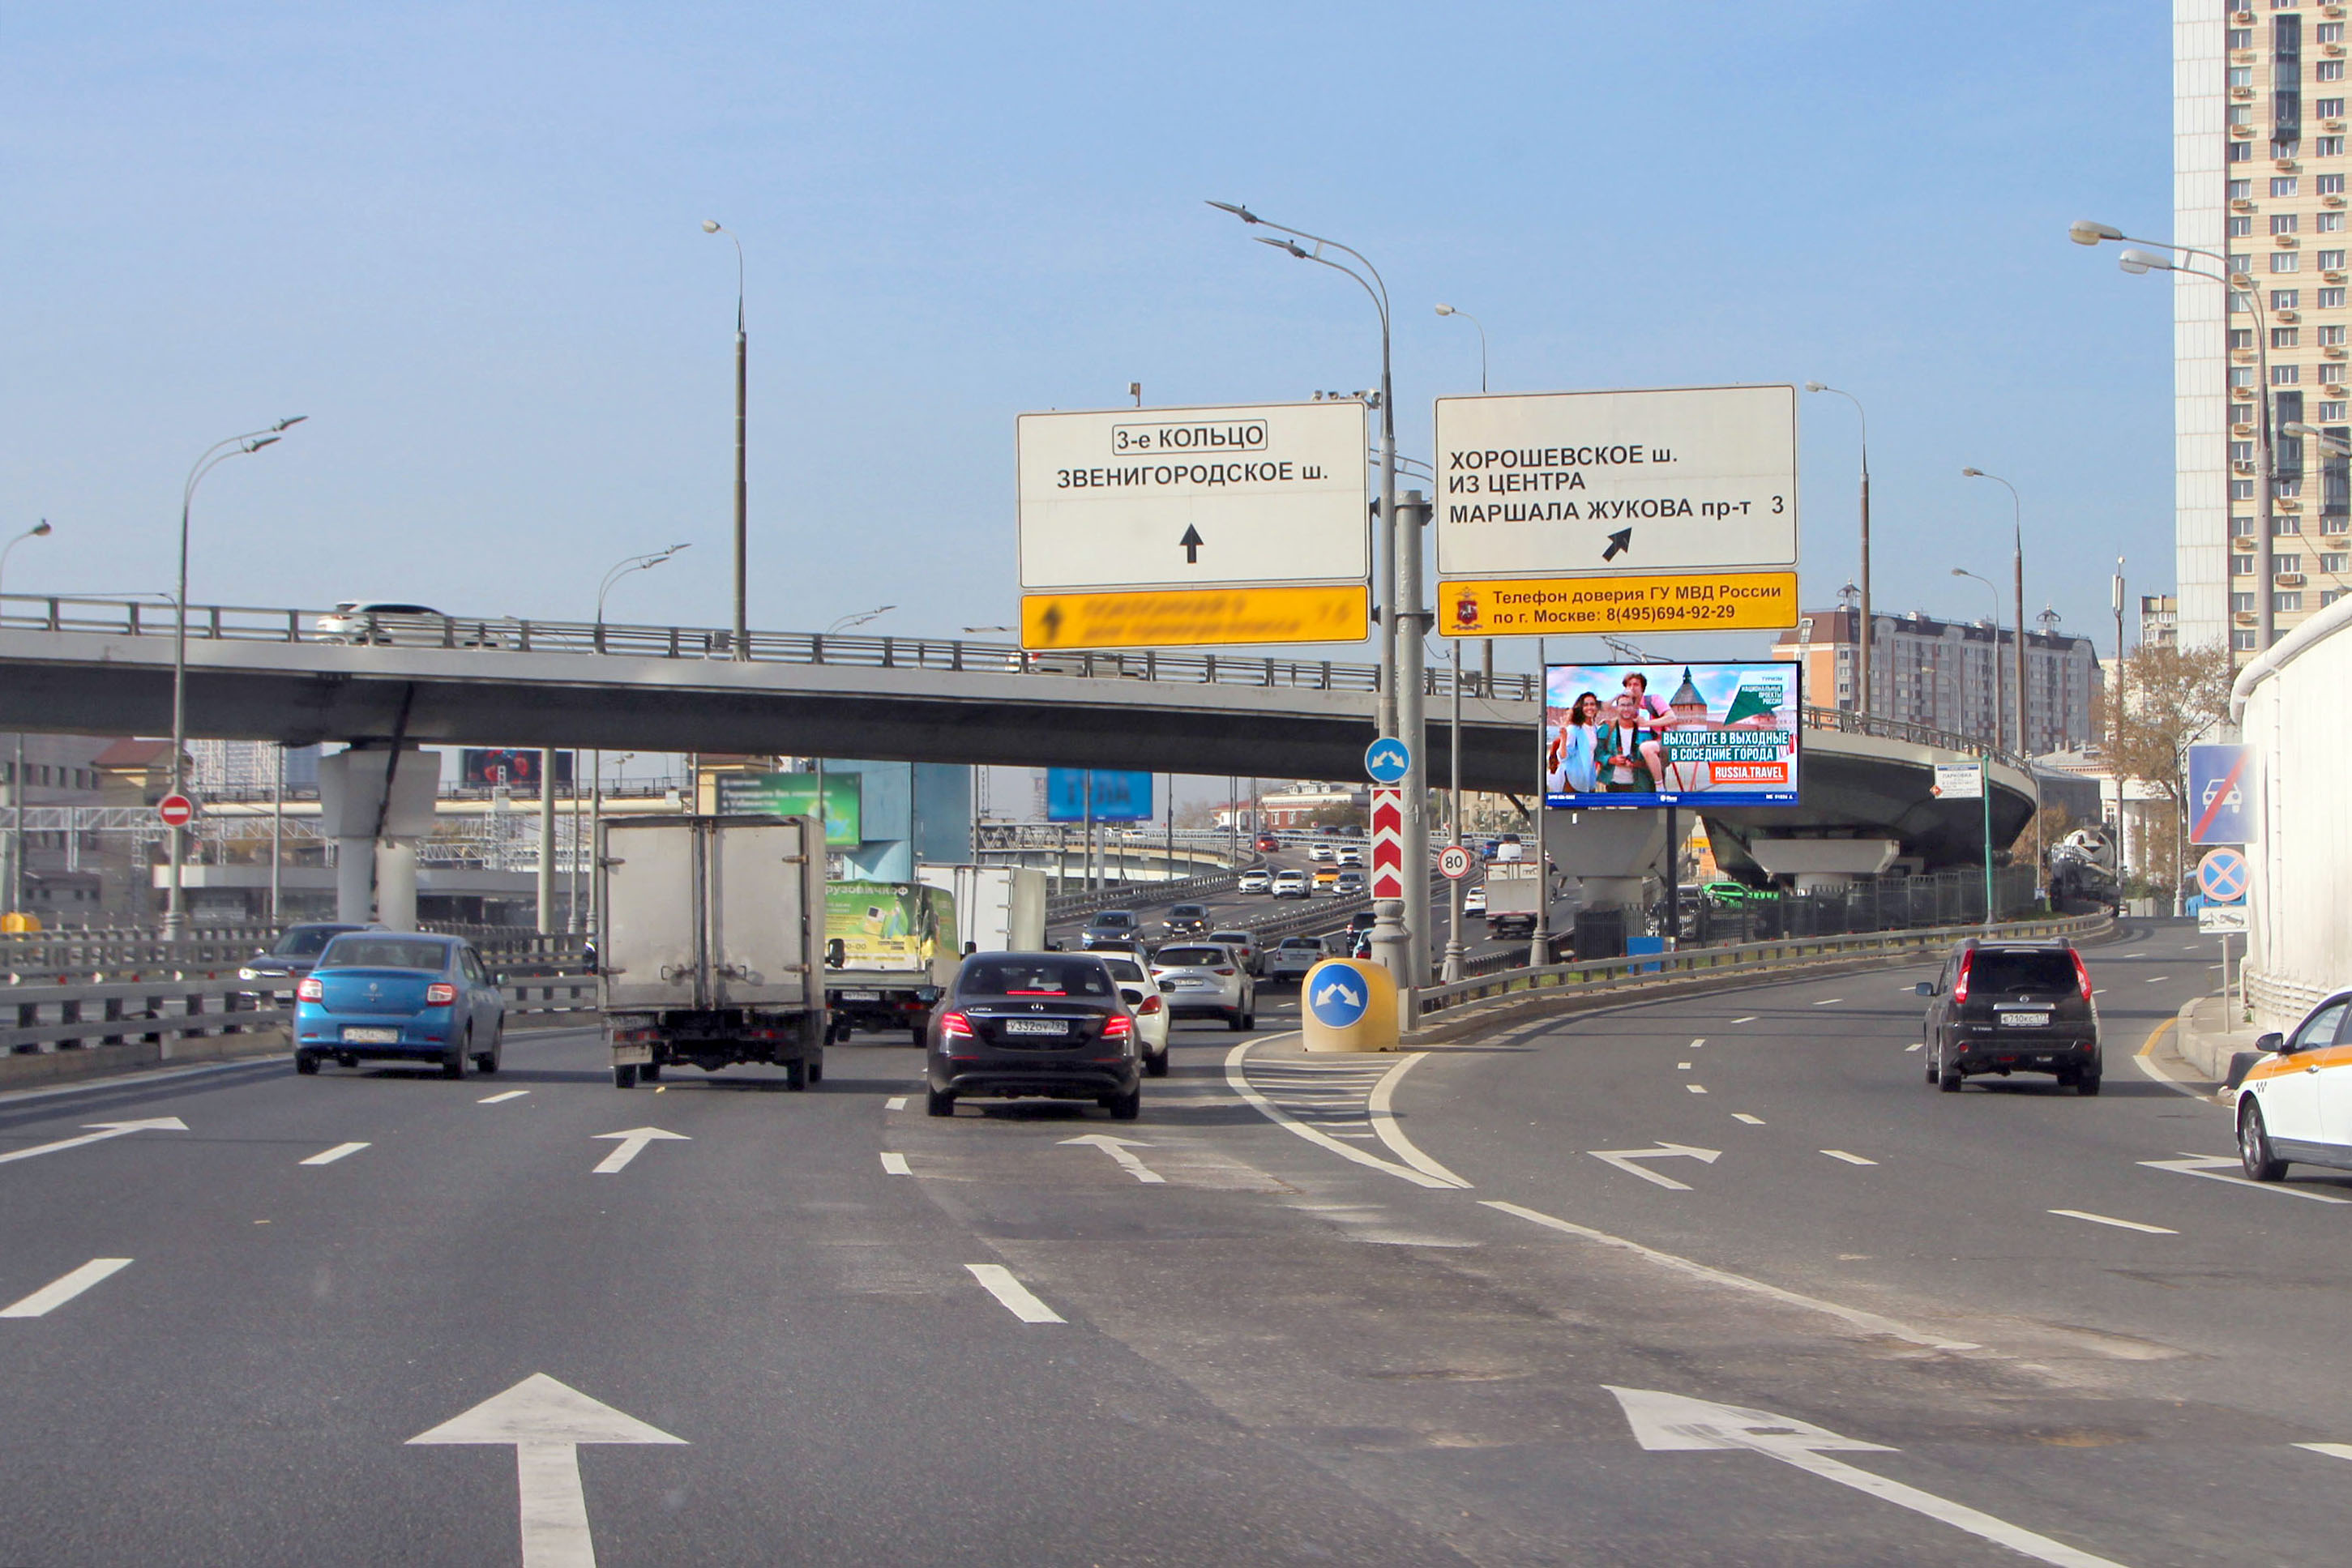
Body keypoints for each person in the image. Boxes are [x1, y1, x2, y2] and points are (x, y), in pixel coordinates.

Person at [1619, 671, 1675, 789]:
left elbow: (1672, 718)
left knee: (1646, 748)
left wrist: (1647, 723)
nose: (1632, 688)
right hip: (1640, 754)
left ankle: (1660, 788)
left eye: (1636, 684)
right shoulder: (1627, 708)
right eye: (1629, 685)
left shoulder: (1653, 700)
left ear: (1642, 688)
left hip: (1663, 743)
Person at [1595, 692, 1656, 793]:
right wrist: (1612, 760)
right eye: (1622, 705)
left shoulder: (1644, 730)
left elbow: (1653, 760)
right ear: (1617, 708)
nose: (1626, 709)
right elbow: (1597, 753)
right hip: (1612, 784)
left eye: (1629, 705)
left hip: (1639, 786)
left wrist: (1636, 763)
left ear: (1634, 708)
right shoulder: (1607, 728)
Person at [1546, 691, 1604, 795]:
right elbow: (1563, 756)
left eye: (1592, 704)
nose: (1589, 707)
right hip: (1573, 783)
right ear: (1580, 708)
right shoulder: (1574, 729)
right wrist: (1563, 738)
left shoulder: (1595, 729)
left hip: (1588, 781)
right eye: (1586, 705)